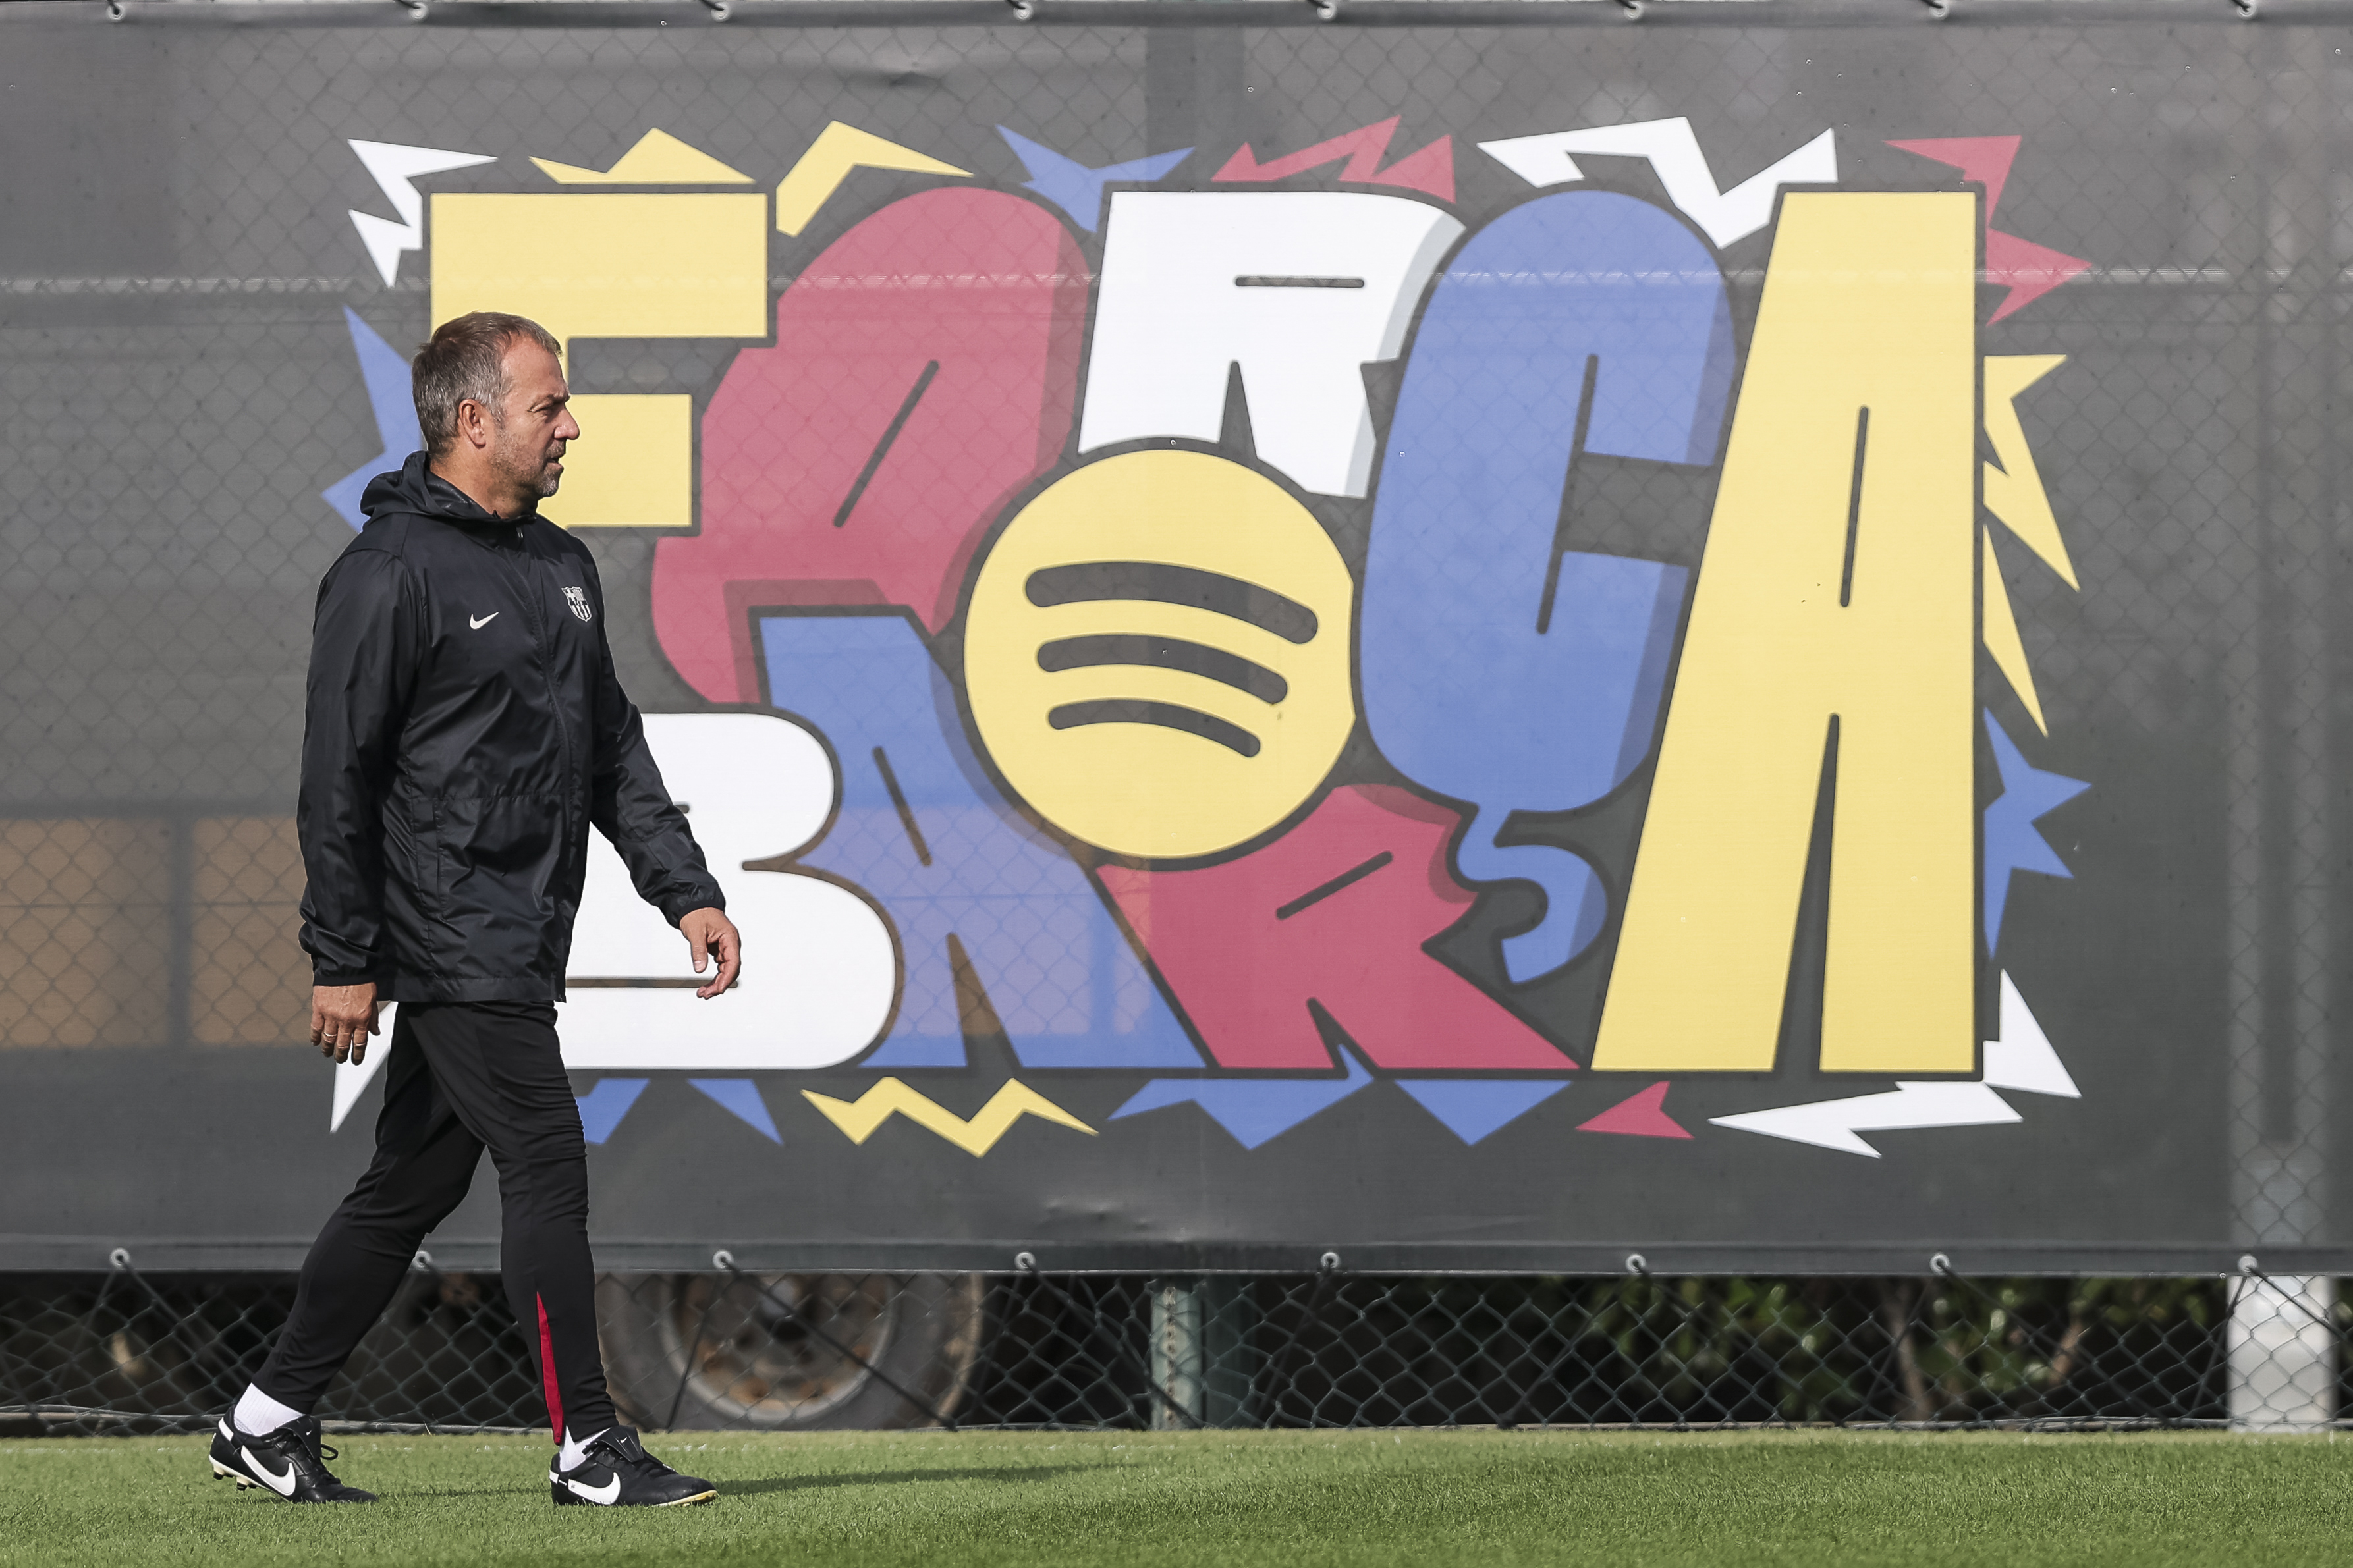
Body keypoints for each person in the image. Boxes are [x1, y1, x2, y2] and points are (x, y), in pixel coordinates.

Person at [207, 311, 742, 1508]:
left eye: (565, 404)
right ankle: (588, 1450)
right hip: (450, 936)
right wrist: (342, 954)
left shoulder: (562, 567)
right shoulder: (388, 572)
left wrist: (685, 889)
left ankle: (267, 1417)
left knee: (412, 1184)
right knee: (547, 1158)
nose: (571, 424)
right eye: (549, 404)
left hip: (520, 926)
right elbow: (333, 779)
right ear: (473, 420)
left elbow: (612, 750)